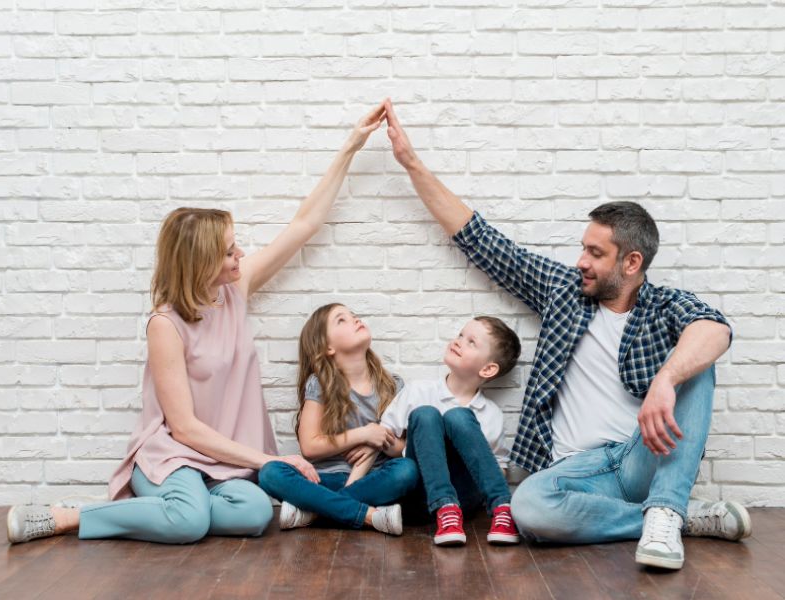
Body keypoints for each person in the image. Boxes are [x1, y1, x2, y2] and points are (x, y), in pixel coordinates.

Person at [383, 99, 751, 570]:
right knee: (528, 508)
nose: (581, 261)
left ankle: (664, 505)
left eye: (595, 253)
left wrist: (665, 380)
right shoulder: (564, 292)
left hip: (641, 458)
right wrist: (412, 164)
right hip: (575, 473)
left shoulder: (663, 307)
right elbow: (483, 240)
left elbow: (715, 330)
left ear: (631, 263)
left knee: (699, 362)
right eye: (582, 248)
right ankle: (671, 516)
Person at [6, 102, 388, 545]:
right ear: (200, 261)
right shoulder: (165, 325)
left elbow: (304, 224)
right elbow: (184, 427)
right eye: (229, 251)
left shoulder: (235, 289)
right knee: (189, 523)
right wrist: (267, 461)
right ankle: (73, 516)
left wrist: (350, 147)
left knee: (253, 513)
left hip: (227, 460)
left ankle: (177, 510)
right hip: (176, 456)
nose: (240, 256)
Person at [258, 304, 419, 535]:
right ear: (327, 347)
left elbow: (402, 449)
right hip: (326, 480)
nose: (355, 319)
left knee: (406, 470)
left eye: (353, 315)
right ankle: (369, 516)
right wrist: (364, 433)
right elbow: (310, 447)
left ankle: (315, 513)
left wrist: (382, 439)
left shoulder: (393, 385)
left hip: (373, 481)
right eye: (341, 320)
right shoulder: (320, 384)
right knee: (270, 472)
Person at [378, 316, 522, 547]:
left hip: (465, 498)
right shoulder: (418, 391)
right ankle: (445, 507)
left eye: (471, 342)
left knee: (458, 416)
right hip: (421, 496)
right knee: (426, 414)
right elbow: (384, 436)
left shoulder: (491, 413)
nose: (459, 341)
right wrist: (417, 447)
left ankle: (502, 509)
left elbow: (500, 468)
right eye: (460, 335)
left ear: (487, 369)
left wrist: (473, 457)